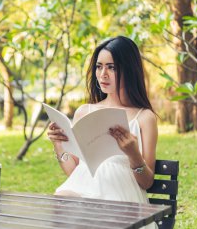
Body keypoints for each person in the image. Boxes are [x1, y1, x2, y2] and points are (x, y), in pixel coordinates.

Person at [47, 36, 158, 228]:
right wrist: (58, 144)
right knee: (62, 200)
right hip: (84, 191)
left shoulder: (144, 118)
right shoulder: (84, 112)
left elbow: (147, 182)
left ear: (129, 70)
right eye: (99, 66)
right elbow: (75, 172)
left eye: (112, 67)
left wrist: (133, 154)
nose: (103, 74)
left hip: (121, 194)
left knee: (100, 211)